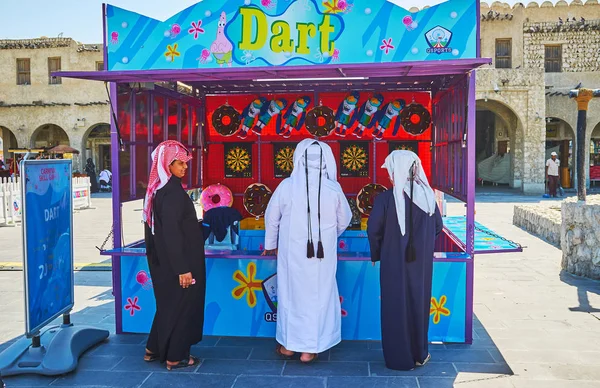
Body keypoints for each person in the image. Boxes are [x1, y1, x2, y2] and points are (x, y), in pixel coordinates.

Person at [263, 139, 352, 363]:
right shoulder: (333, 188)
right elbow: (346, 220)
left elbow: (271, 218)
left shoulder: (286, 186)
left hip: (291, 254)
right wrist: (329, 235)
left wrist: (271, 244)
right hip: (322, 255)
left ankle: (288, 347)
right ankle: (309, 350)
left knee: (291, 295)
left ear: (298, 159)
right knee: (318, 297)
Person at [367, 150, 443, 371]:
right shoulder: (429, 198)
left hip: (393, 264)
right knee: (418, 304)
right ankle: (420, 354)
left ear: (395, 171)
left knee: (395, 306)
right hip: (421, 265)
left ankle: (400, 359)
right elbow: (437, 228)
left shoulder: (385, 199)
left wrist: (377, 253)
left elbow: (373, 230)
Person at [142, 140, 206, 371]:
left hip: (169, 263)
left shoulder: (165, 192)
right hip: (179, 264)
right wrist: (183, 269)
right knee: (181, 307)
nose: (185, 167)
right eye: (179, 163)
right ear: (167, 165)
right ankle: (175, 357)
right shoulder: (170, 194)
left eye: (185, 163)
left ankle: (153, 349)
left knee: (169, 305)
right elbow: (171, 235)